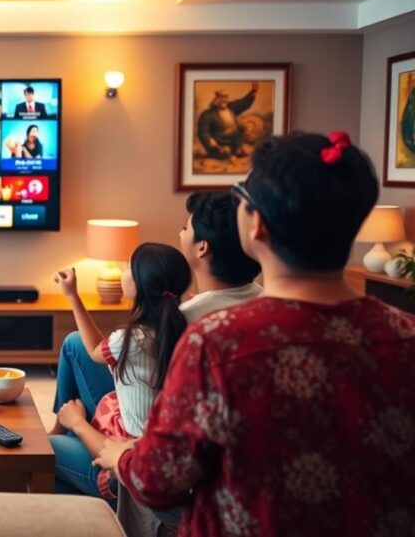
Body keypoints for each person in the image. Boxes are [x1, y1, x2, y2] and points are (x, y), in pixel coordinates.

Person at [95, 132, 415, 537]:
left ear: (257, 224)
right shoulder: (406, 335)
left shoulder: (215, 343)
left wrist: (122, 454)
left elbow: (156, 483)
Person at [49, 243, 192, 502]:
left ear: (139, 286)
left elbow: (95, 349)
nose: (123, 273)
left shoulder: (132, 338)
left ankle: (101, 504)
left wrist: (72, 295)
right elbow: (90, 347)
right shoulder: (183, 322)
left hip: (131, 462)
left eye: (128, 268)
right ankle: (63, 428)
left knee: (44, 452)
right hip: (152, 434)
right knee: (73, 342)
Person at [178, 192, 262, 322]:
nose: (180, 233)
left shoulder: (184, 318)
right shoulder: (264, 297)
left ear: (202, 247)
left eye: (185, 228)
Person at [196, 83, 258, 159]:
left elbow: (243, 103)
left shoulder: (231, 107)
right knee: (223, 154)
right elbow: (203, 131)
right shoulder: (208, 114)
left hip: (233, 140)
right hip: (219, 143)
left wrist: (253, 91)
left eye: (225, 97)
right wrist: (210, 141)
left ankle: (236, 150)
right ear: (216, 100)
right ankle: (225, 153)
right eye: (221, 98)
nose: (224, 100)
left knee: (242, 129)